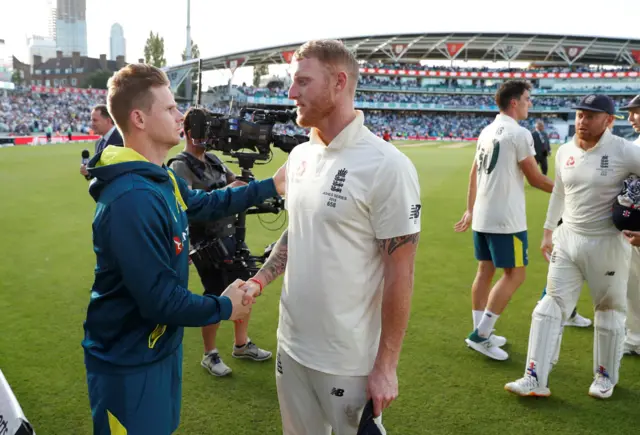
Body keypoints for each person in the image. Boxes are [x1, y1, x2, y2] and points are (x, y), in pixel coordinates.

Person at [81, 63, 285, 435]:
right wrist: (225, 306)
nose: (181, 116)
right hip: (129, 361)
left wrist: (272, 185)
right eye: (171, 108)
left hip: (156, 348)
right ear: (139, 118)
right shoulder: (132, 199)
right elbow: (160, 300)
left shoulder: (161, 178)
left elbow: (205, 205)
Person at [240, 39, 421, 435]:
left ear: (339, 82)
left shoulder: (388, 167)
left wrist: (386, 367)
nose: (291, 94)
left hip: (347, 361)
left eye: (303, 82)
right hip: (291, 344)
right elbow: (301, 228)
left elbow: (400, 274)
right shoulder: (303, 155)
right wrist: (260, 279)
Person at [504, 94, 640, 399]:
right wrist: (548, 231)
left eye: (591, 116)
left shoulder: (625, 151)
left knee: (608, 311)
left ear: (608, 121)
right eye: (580, 115)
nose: (582, 121)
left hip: (607, 243)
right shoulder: (564, 150)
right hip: (568, 240)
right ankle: (535, 377)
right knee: (549, 308)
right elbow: (560, 194)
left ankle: (605, 378)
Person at [168, 107, 272, 377]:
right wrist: (230, 191)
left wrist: (248, 188)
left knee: (245, 287)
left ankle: (241, 343)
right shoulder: (179, 165)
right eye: (206, 130)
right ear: (190, 133)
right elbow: (189, 204)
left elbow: (234, 181)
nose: (210, 136)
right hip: (206, 242)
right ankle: (209, 354)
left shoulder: (213, 160)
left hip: (230, 233)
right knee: (214, 295)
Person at [454, 80, 554, 361]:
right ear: (514, 102)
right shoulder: (519, 133)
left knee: (484, 271)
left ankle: (480, 331)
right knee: (516, 274)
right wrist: (569, 189)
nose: (529, 103)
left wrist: (470, 209)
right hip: (506, 219)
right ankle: (482, 334)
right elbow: (535, 178)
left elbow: (474, 173)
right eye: (527, 98)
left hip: (484, 216)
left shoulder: (487, 130)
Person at [619, 95, 640, 356]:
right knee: (633, 285)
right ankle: (635, 337)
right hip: (632, 231)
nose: (630, 118)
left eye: (636, 112)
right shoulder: (633, 145)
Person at [80, 105, 123, 179]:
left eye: (95, 120)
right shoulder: (98, 143)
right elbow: (99, 172)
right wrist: (88, 172)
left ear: (108, 121)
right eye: (91, 120)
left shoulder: (121, 139)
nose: (92, 124)